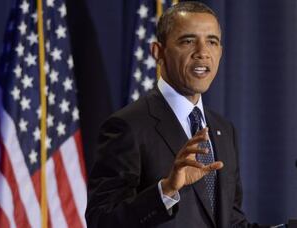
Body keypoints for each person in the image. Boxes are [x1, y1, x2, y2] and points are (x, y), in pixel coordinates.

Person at [85, 2, 265, 227]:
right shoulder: (128, 126)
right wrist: (167, 190)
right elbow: (101, 220)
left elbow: (232, 221)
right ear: (158, 53)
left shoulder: (223, 129)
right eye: (188, 41)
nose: (202, 53)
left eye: (212, 41)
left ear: (220, 52)